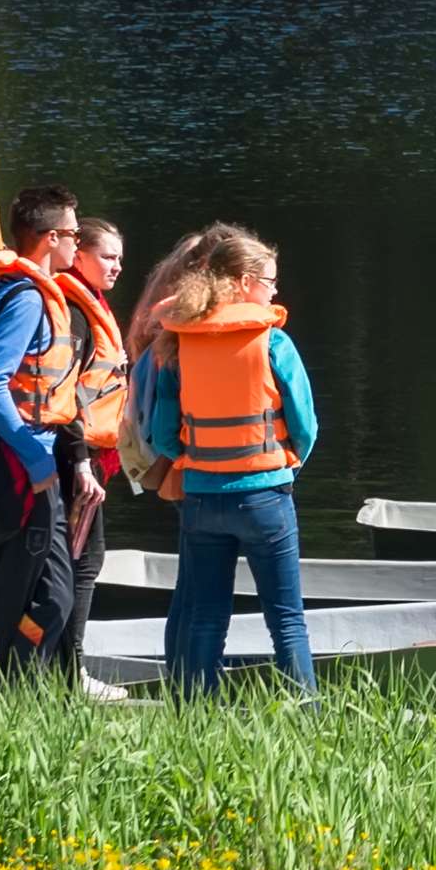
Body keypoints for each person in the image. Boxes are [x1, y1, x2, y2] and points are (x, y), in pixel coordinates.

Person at [129, 223, 317, 695]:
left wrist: (196, 458)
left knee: (206, 618)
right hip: (265, 496)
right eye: (270, 281)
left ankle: (195, 715)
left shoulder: (180, 342)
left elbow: (163, 436)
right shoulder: (273, 342)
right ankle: (307, 715)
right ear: (244, 282)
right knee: (286, 620)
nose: (274, 291)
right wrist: (288, 462)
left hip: (201, 498)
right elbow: (305, 424)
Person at [0, 184, 110, 677]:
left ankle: (17, 686)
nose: (77, 243)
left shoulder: (27, 290)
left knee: (47, 591)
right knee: (36, 590)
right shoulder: (26, 300)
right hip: (22, 466)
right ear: (50, 239)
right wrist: (36, 459)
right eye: (73, 234)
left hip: (32, 461)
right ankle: (7, 686)